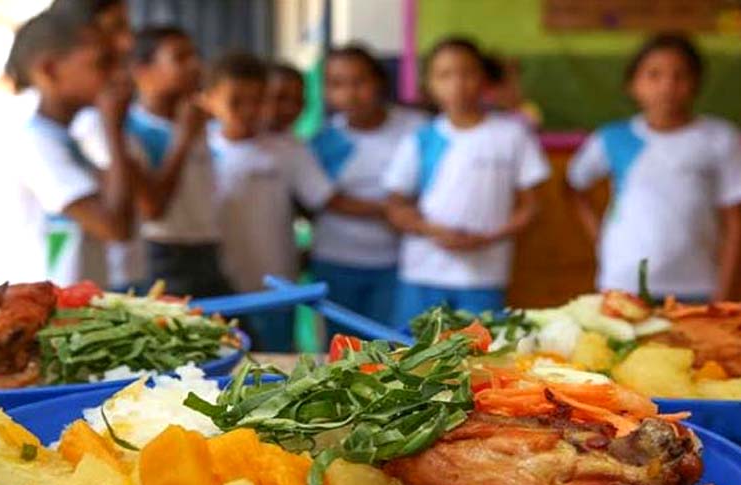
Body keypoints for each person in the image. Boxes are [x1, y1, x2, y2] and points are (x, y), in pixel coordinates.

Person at [567, 34, 741, 302]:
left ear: (696, 83)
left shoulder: (720, 138)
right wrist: (598, 236)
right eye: (653, 75)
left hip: (697, 284)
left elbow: (737, 222)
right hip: (623, 282)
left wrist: (724, 294)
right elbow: (573, 185)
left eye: (680, 76)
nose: (668, 86)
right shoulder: (611, 138)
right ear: (633, 84)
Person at [204, 52, 366, 352]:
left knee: (273, 364)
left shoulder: (288, 149)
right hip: (217, 285)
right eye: (236, 101)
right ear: (210, 99)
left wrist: (393, 212)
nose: (248, 110)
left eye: (257, 100)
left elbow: (324, 199)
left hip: (274, 287)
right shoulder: (200, 147)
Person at [384, 37, 549, 326]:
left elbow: (532, 207)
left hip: (484, 275)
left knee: (480, 360)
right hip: (422, 273)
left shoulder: (512, 135)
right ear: (430, 84)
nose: (457, 83)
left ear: (483, 78)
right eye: (445, 75)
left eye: (467, 72)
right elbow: (394, 206)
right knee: (410, 355)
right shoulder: (420, 138)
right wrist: (431, 229)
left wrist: (487, 238)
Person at [2, 9, 134, 287]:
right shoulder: (34, 143)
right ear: (50, 70)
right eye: (103, 64)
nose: (119, 75)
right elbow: (115, 227)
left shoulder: (66, 136)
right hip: (49, 308)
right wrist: (113, 129)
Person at [309, 44, 425, 328]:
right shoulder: (325, 140)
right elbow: (324, 200)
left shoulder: (416, 129)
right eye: (337, 84)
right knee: (340, 352)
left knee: (391, 349)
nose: (350, 93)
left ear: (379, 82)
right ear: (325, 91)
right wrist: (389, 209)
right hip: (336, 262)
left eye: (359, 82)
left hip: (396, 263)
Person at [127, 26, 229, 297]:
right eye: (180, 58)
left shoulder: (197, 120)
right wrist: (182, 140)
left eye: (195, 55)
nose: (196, 65)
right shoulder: (133, 129)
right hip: (166, 254)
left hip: (207, 249)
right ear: (142, 71)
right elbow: (152, 209)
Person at [263, 62, 305, 137]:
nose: (290, 108)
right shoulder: (241, 144)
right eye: (280, 98)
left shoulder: (303, 146)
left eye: (297, 100)